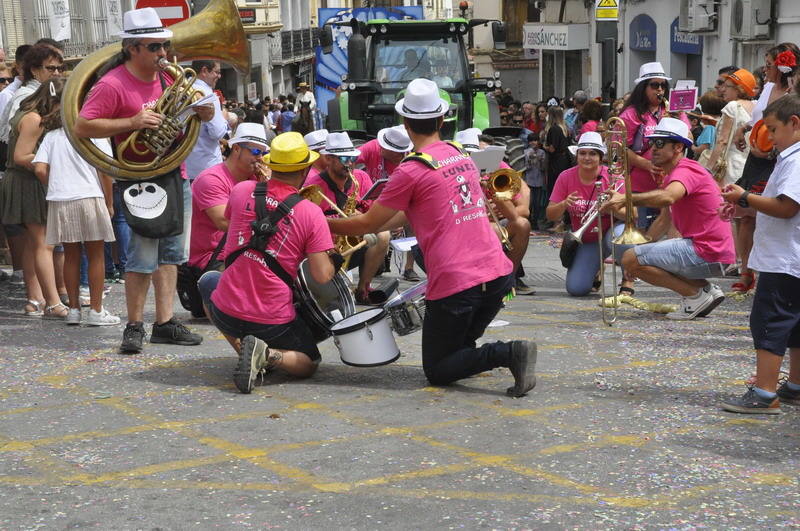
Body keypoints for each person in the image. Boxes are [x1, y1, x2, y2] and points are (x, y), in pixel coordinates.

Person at [327, 78, 537, 397]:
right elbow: (415, 210)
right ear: (441, 119)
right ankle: (485, 356)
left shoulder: (411, 170)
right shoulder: (459, 155)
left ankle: (510, 353)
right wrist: (389, 219)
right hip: (497, 277)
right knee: (460, 348)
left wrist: (325, 222)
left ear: (405, 122)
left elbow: (368, 222)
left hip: (457, 284)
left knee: (437, 370)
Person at [73, 7, 215, 354]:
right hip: (138, 177)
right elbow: (82, 125)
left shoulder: (169, 77)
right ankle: (134, 325)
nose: (162, 54)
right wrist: (132, 122)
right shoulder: (112, 84)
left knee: (170, 254)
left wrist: (204, 109)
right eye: (153, 47)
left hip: (174, 172)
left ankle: (164, 322)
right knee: (140, 256)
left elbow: (201, 113)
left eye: (163, 46)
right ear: (132, 48)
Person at [197, 132, 337, 393]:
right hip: (271, 320)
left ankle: (244, 348)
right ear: (305, 170)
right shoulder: (310, 212)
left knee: (209, 281)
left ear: (271, 163)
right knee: (310, 363)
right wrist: (330, 255)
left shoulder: (240, 190)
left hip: (226, 312)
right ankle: (268, 355)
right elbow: (321, 275)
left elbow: (234, 222)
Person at [601, 117, 734, 319]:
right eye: (652, 142)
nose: (653, 148)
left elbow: (668, 197)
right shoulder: (675, 173)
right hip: (709, 250)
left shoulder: (686, 170)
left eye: (660, 143)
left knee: (629, 257)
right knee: (633, 257)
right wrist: (639, 258)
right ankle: (705, 291)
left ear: (679, 147)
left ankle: (695, 295)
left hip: (708, 250)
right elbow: (664, 220)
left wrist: (625, 200)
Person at [719, 94, 800, 414]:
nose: (770, 138)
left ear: (794, 124)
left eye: (773, 130)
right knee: (794, 323)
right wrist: (743, 202)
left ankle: (765, 393)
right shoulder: (790, 157)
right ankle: (795, 384)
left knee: (769, 320)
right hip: (790, 257)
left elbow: (786, 207)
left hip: (784, 258)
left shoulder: (795, 159)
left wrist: (746, 198)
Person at [32, 79, 119, 326]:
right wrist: (109, 203)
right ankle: (96, 311)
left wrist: (55, 183)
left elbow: (39, 168)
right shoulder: (94, 133)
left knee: (70, 255)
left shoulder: (52, 136)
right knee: (96, 256)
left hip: (61, 199)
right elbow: (105, 171)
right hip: (90, 196)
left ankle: (73, 310)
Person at [729, 43, 799, 294]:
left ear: (783, 67)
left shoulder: (793, 94)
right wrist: (744, 129)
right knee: (744, 215)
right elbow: (761, 117)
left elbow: (787, 129)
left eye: (769, 65)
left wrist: (769, 150)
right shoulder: (768, 87)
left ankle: (770, 269)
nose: (764, 70)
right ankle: (746, 270)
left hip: (777, 156)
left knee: (767, 210)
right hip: (757, 157)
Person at [0, 78, 66, 318]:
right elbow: (21, 156)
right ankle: (52, 302)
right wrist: (53, 160)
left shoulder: (27, 112)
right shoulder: (35, 119)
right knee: (43, 244)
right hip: (26, 182)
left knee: (33, 244)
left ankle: (35, 299)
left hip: (23, 180)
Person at [305, 132, 391, 304]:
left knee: (384, 235)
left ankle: (363, 289)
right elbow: (308, 226)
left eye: (353, 158)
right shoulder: (313, 188)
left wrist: (362, 216)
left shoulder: (361, 177)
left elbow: (372, 209)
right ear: (329, 159)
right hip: (328, 248)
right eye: (345, 159)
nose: (351, 164)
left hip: (355, 241)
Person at [547, 132, 633, 297]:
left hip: (611, 234)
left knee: (624, 236)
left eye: (592, 153)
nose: (587, 157)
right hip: (588, 240)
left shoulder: (614, 177)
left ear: (601, 157)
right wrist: (564, 204)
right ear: (577, 155)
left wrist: (612, 208)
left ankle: (628, 280)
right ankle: (597, 268)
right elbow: (550, 215)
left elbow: (633, 215)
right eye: (583, 153)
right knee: (576, 289)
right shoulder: (565, 177)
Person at [618, 62, 691, 228]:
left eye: (663, 85)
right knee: (642, 229)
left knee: (670, 228)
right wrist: (647, 165)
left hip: (671, 182)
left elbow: (688, 136)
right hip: (640, 183)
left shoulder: (672, 111)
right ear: (643, 88)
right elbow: (620, 148)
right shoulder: (631, 114)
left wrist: (679, 116)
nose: (660, 90)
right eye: (654, 85)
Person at [188, 123, 268, 272]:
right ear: (236, 148)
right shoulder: (211, 179)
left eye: (263, 153)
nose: (260, 158)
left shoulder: (257, 179)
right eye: (256, 151)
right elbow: (225, 222)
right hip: (214, 257)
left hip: (248, 250)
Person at [355, 125, 419, 281]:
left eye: (399, 154)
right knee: (377, 267)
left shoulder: (410, 157)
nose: (382, 150)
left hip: (402, 200)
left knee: (414, 218)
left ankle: (409, 267)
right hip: (376, 202)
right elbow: (349, 161)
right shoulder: (372, 147)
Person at [705, 68, 755, 187]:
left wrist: (708, 168)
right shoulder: (755, 106)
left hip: (729, 166)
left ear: (739, 89)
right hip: (747, 165)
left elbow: (722, 140)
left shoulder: (733, 106)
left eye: (727, 86)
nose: (723, 89)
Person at [184, 60, 228, 182]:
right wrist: (225, 118)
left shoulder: (181, 88)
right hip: (207, 167)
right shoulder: (207, 94)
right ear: (204, 71)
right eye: (217, 72)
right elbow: (217, 133)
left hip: (185, 167)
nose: (219, 76)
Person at [543, 106, 572, 200]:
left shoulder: (554, 129)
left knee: (554, 186)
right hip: (565, 160)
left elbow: (552, 149)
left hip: (555, 162)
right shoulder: (565, 128)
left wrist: (543, 146)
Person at [524, 133, 547, 230]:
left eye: (535, 140)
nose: (533, 142)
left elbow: (543, 168)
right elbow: (526, 167)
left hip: (538, 180)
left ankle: (535, 222)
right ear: (529, 142)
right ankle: (528, 220)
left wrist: (541, 161)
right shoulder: (526, 152)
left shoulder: (542, 152)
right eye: (531, 141)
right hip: (529, 179)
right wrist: (530, 159)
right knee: (529, 202)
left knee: (537, 203)